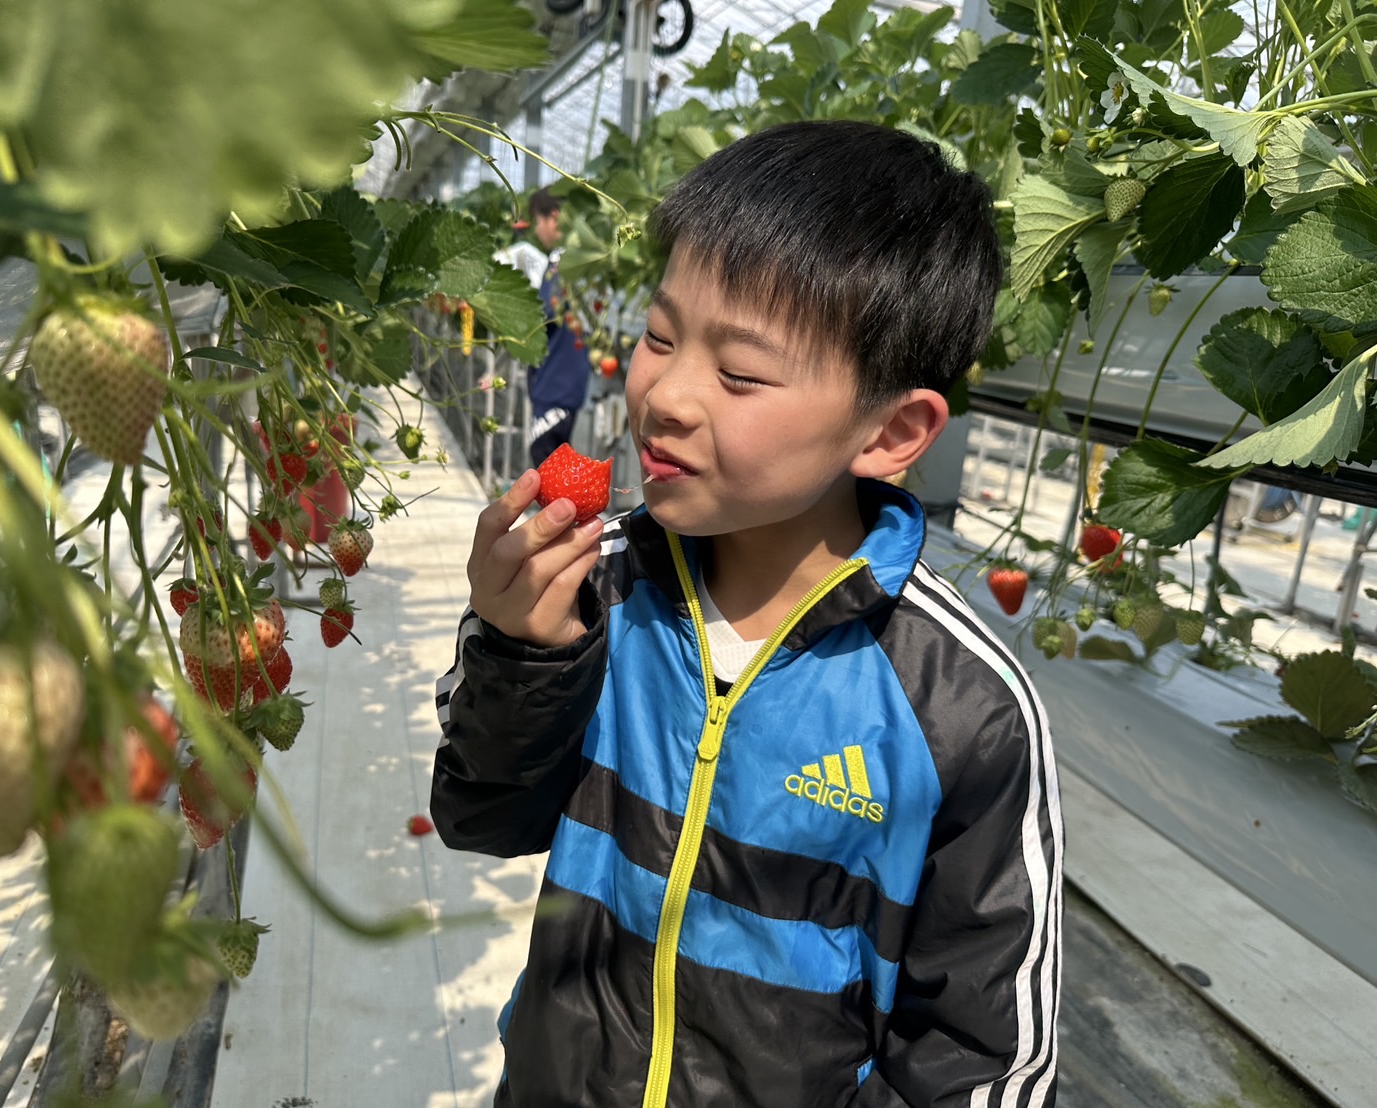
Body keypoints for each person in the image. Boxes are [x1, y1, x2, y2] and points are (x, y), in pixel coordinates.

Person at [432, 122, 1062, 1108]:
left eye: (739, 373)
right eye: (658, 335)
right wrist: (521, 648)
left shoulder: (960, 709)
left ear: (891, 431)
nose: (665, 395)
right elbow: (481, 820)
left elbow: (982, 1059)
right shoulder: (603, 595)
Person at [515, 187, 590, 467]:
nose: (537, 230)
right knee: (555, 464)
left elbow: (544, 315)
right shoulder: (580, 262)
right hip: (567, 383)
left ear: (554, 218)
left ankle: (560, 513)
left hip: (556, 384)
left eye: (538, 221)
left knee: (546, 460)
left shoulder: (561, 265)